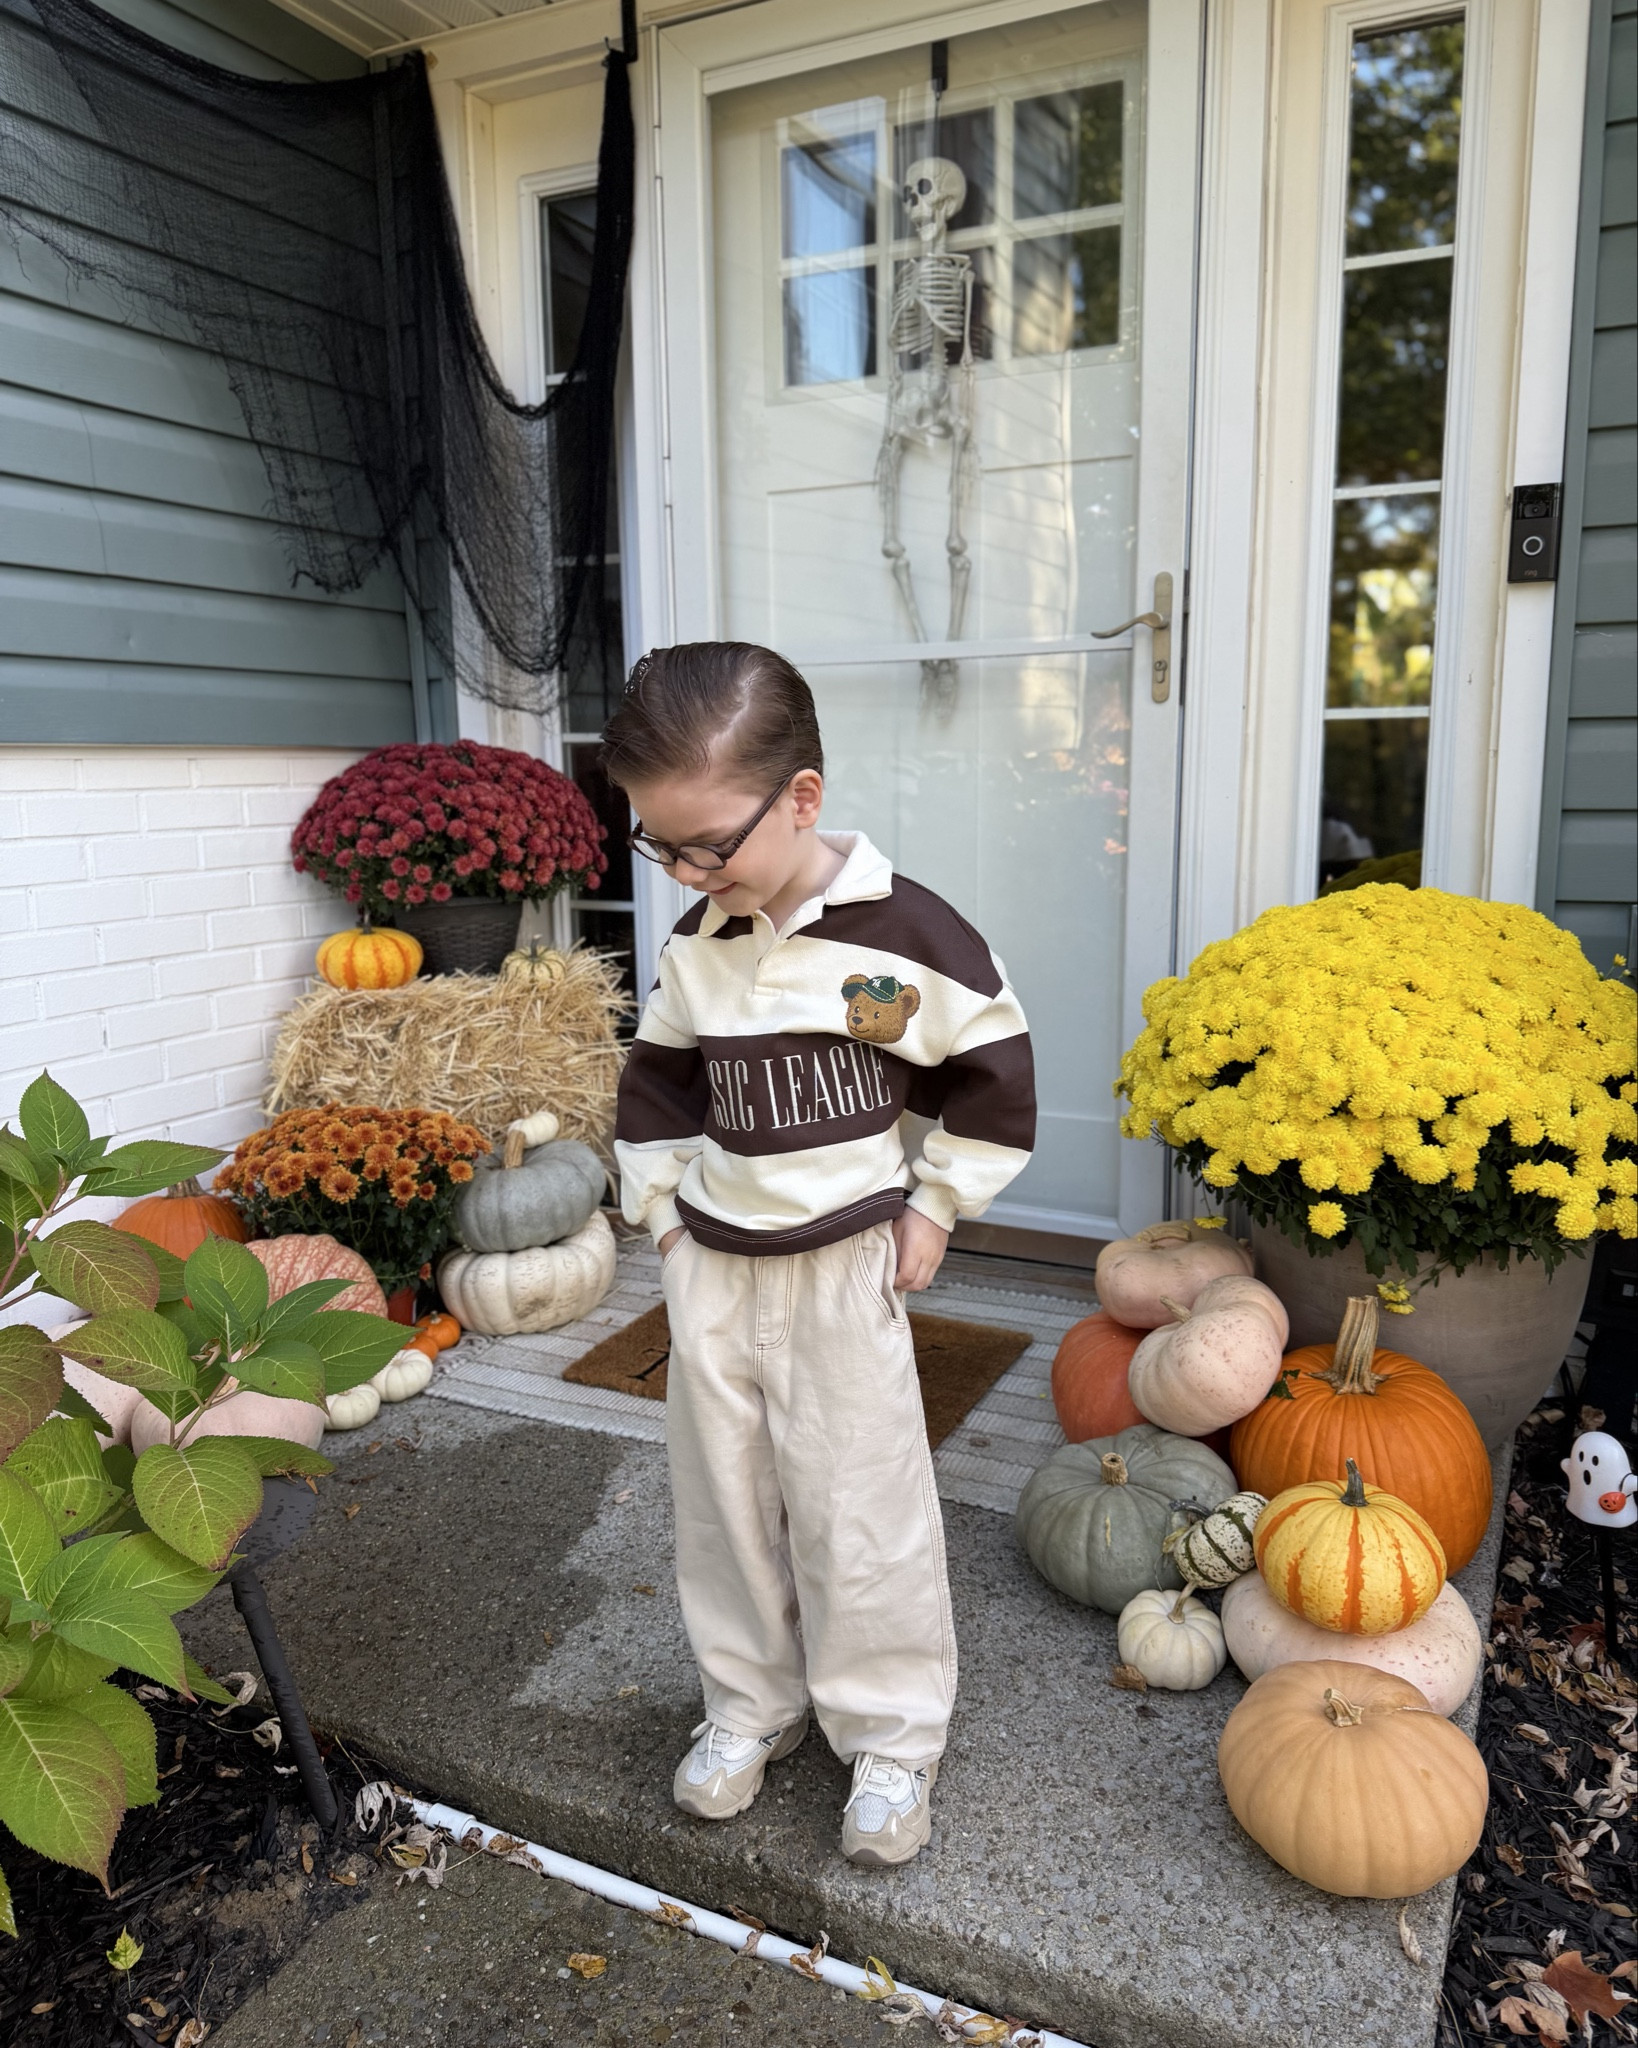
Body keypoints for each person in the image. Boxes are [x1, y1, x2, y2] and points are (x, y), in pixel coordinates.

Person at [604, 642, 1035, 1867]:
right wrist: (666, 1218)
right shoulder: (702, 942)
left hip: (847, 1264)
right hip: (718, 1265)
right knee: (722, 1497)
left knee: (861, 1498)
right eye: (661, 846)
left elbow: (993, 1074)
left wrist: (938, 1203)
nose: (686, 872)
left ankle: (892, 1733)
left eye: (706, 845)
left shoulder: (909, 935)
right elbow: (661, 1083)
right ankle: (750, 1704)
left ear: (801, 796)